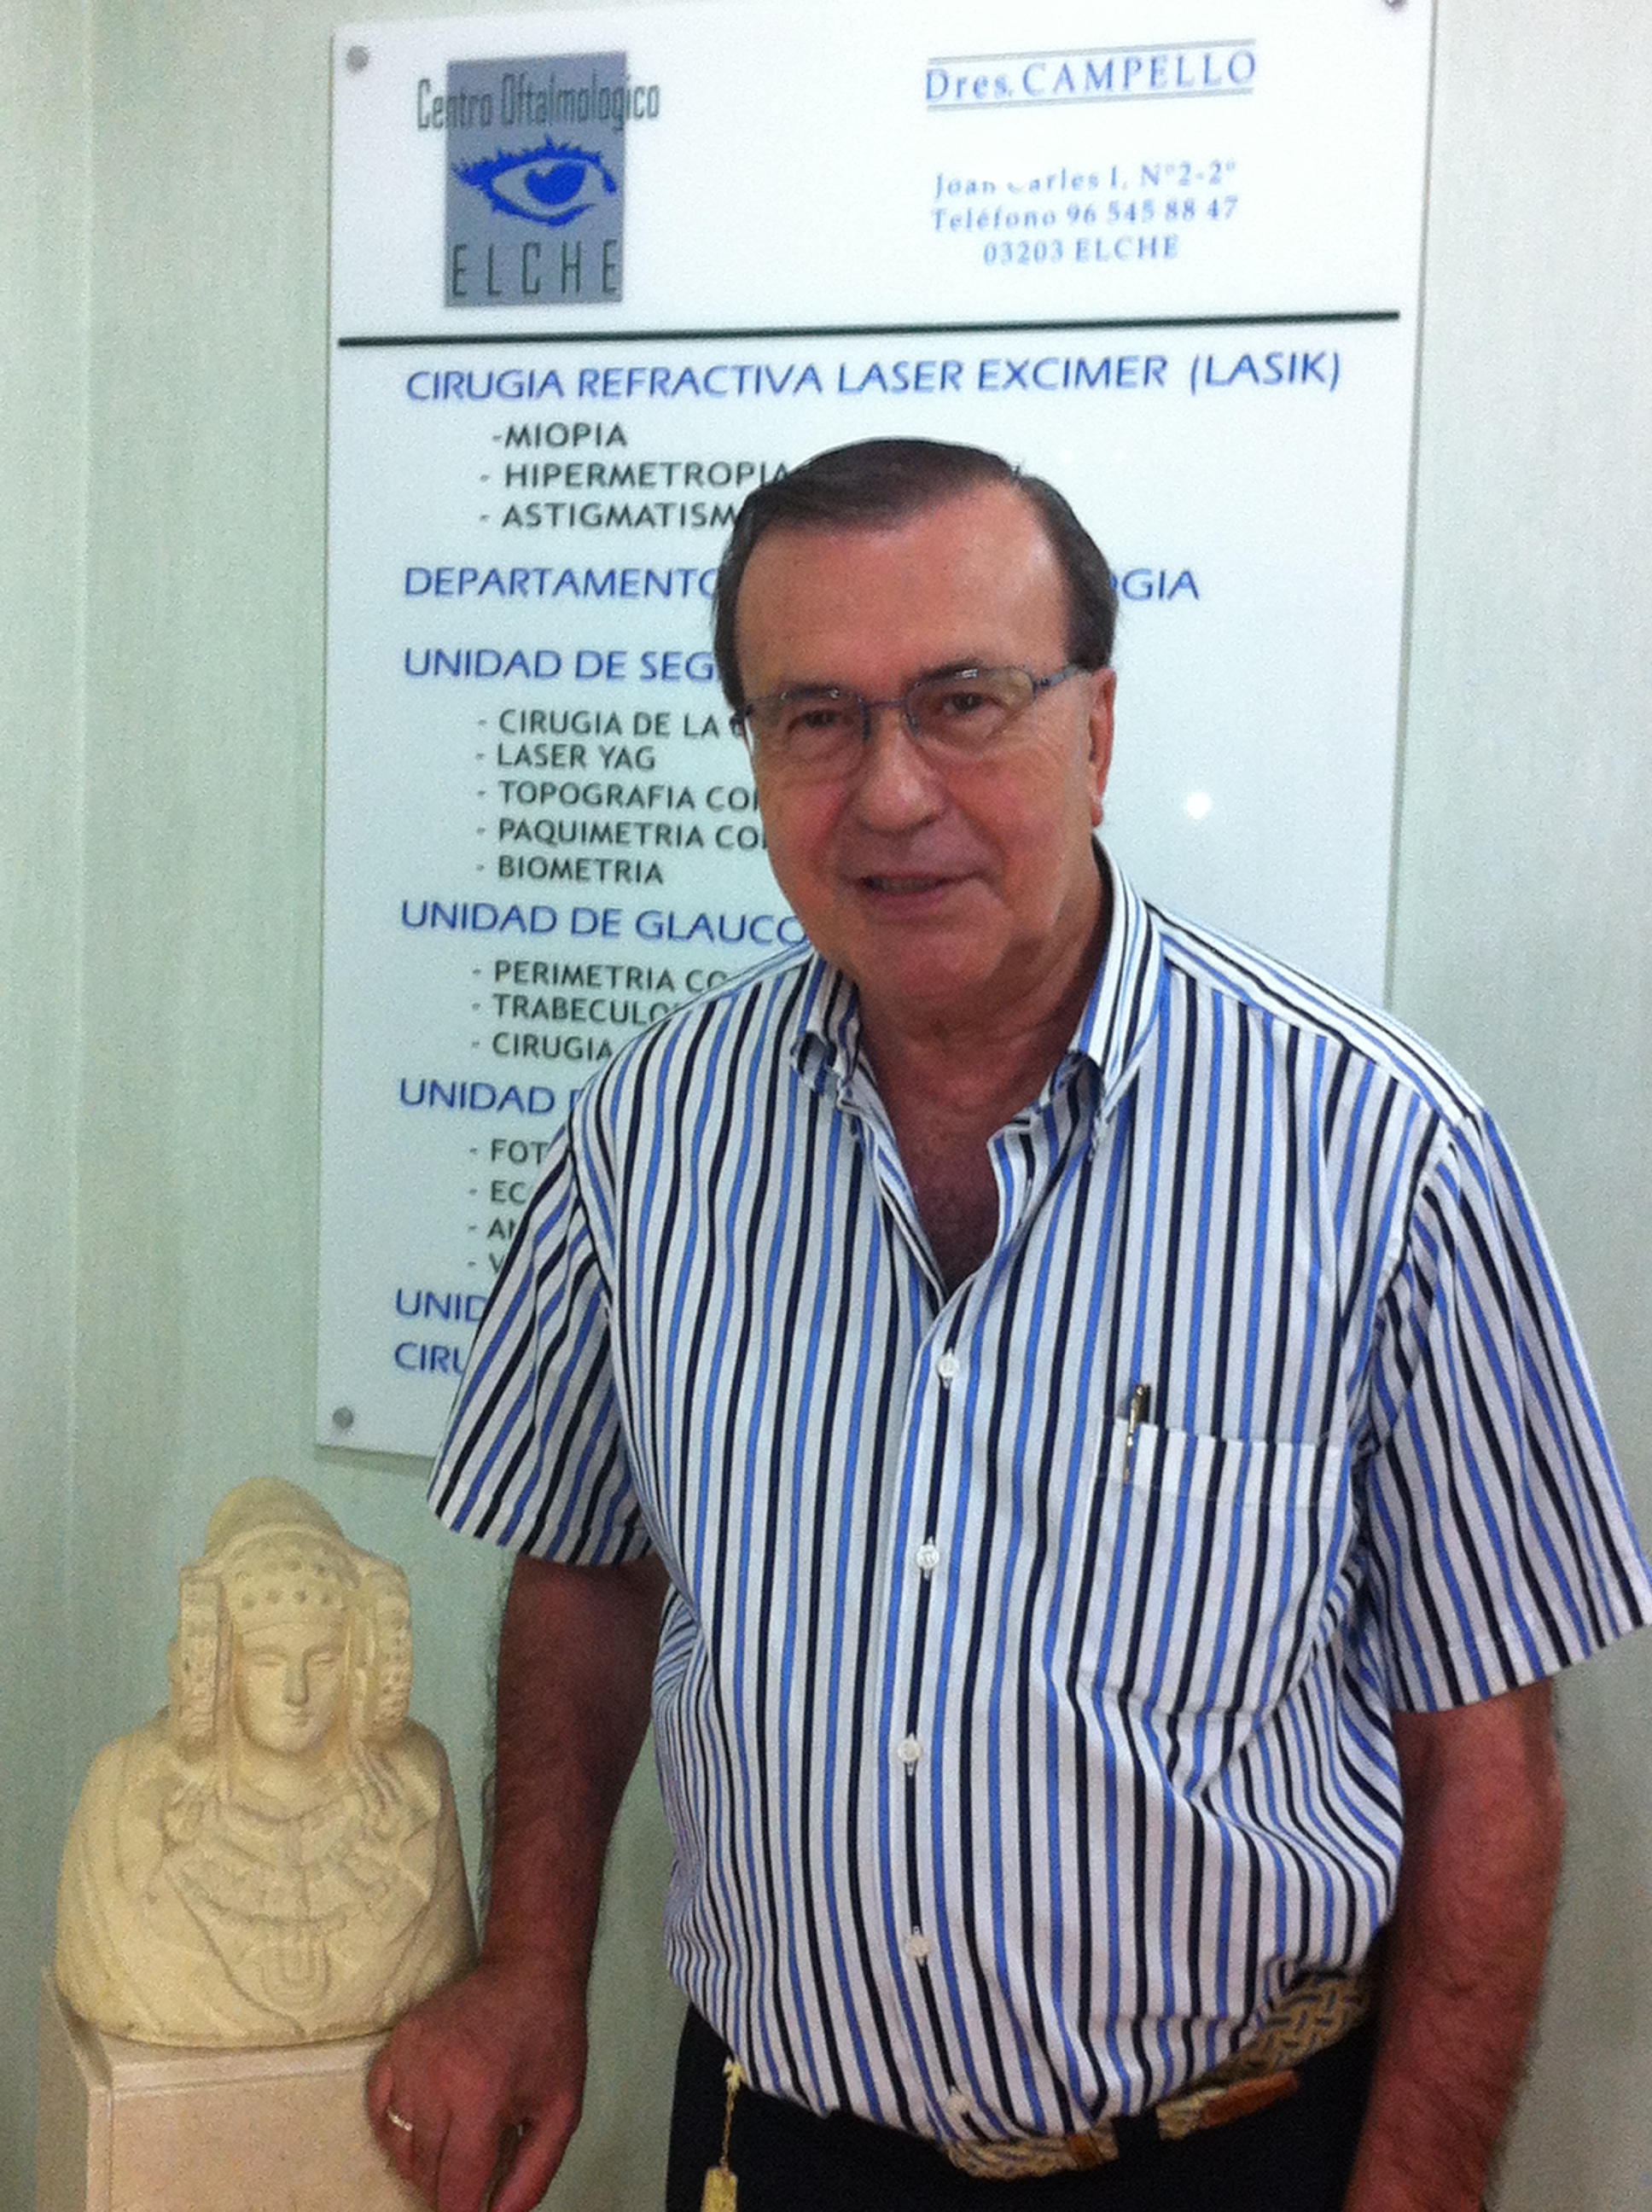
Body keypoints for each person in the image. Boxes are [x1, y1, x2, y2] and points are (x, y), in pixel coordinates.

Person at [369, 439, 1650, 2211]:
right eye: (814, 718)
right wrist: (527, 1965)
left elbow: (1482, 1761)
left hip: (1223, 2158)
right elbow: (586, 1570)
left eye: (964, 701)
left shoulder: (1379, 1156)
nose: (890, 792)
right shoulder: (645, 1138)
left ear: (1096, 730)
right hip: (773, 2150)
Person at [56, 1476, 474, 2046]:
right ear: (217, 1665)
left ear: (363, 1667)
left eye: (322, 1661)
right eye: (267, 1661)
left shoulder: (417, 1793)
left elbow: (440, 1962)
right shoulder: (124, 1795)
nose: (295, 1692)